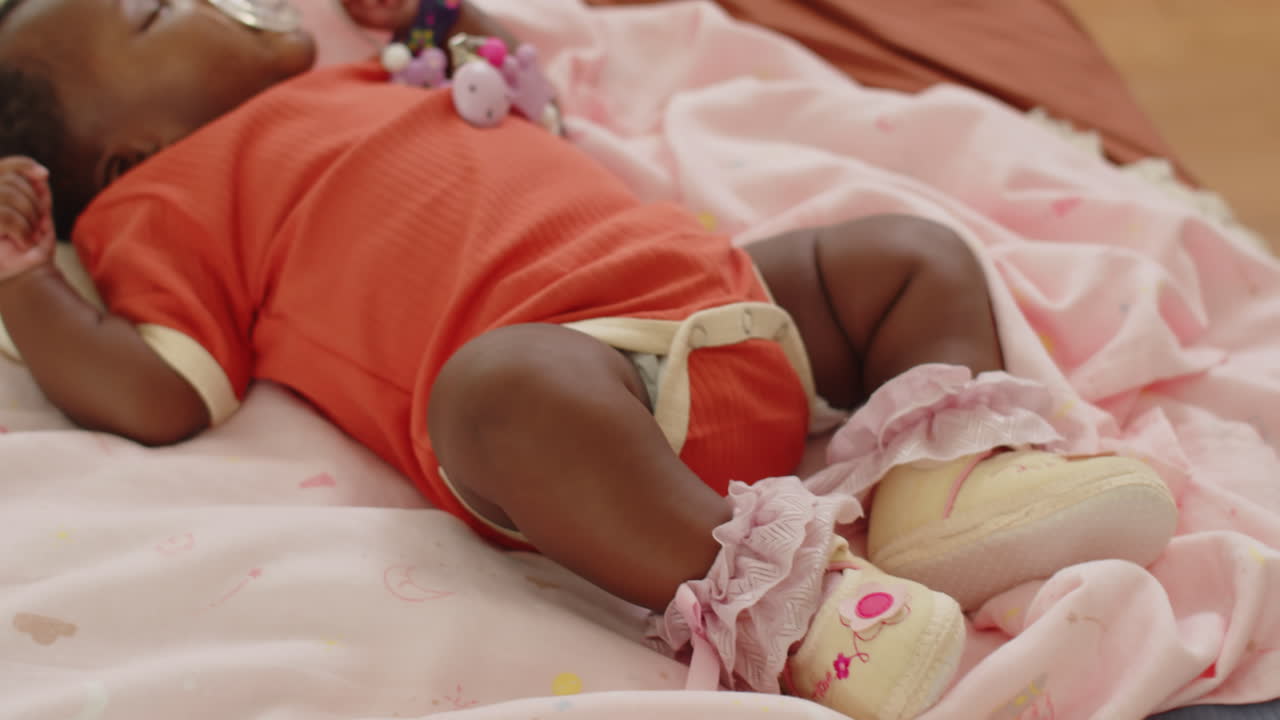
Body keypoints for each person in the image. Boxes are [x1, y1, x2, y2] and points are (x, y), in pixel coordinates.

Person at [0, 0, 1178, 717]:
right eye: (157, 11)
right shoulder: (163, 203)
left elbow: (521, 117)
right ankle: (813, 615)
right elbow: (158, 394)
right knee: (495, 388)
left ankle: (941, 489)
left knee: (901, 254)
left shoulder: (357, 75)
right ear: (122, 155)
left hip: (717, 309)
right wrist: (31, 279)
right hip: (580, 412)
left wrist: (439, 22)